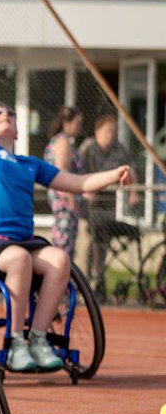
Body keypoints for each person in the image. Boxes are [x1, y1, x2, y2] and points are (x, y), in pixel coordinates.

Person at [0, 33, 132, 373]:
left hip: (24, 240)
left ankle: (38, 337)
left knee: (58, 257)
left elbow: (79, 183)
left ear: (19, 130)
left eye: (10, 113)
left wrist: (115, 174)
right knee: (20, 259)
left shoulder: (30, 164)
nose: (3, 114)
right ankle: (15, 342)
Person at [80, 114, 140, 300]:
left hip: (108, 207)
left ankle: (99, 283)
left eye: (113, 132)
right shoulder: (88, 148)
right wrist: (84, 188)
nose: (110, 135)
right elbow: (76, 170)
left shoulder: (119, 149)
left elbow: (130, 170)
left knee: (102, 243)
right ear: (97, 132)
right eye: (107, 132)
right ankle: (85, 282)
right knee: (89, 242)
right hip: (88, 207)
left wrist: (133, 193)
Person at [43, 106, 84, 259]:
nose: (79, 128)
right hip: (65, 201)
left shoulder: (62, 141)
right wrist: (71, 197)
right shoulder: (63, 142)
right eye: (77, 123)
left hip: (65, 199)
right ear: (66, 123)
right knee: (63, 243)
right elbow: (62, 172)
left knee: (66, 241)